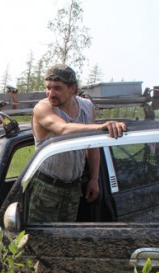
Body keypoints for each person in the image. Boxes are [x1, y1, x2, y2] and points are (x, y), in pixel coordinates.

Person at [29, 64, 127, 222]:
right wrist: (100, 127)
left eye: (57, 88)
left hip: (74, 187)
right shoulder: (43, 108)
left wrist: (94, 179)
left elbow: (93, 145)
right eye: (48, 88)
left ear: (72, 88)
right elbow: (62, 128)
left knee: (67, 239)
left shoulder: (87, 107)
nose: (50, 93)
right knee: (42, 240)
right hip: (46, 187)